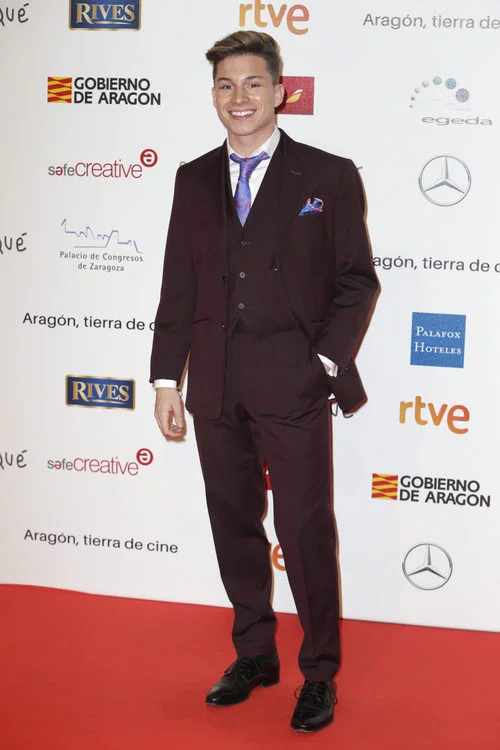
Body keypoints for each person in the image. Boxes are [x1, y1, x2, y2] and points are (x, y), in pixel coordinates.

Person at [150, 30, 379, 733]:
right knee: (233, 522)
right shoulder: (192, 178)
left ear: (280, 91)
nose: (239, 97)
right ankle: (254, 653)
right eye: (226, 85)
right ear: (213, 95)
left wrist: (323, 363)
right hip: (215, 386)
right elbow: (179, 285)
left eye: (253, 83)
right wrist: (165, 379)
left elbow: (357, 281)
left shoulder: (328, 175)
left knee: (305, 530)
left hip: (295, 384)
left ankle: (319, 673)